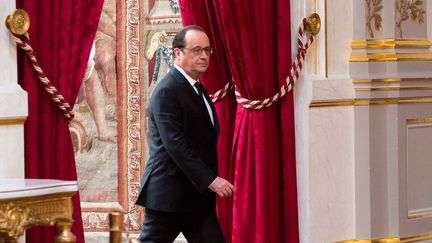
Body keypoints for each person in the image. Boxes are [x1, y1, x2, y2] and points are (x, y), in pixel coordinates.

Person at [136, 25, 234, 243]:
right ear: (177, 53)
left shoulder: (196, 88)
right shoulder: (167, 91)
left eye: (207, 50)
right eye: (196, 50)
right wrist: (211, 180)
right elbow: (175, 145)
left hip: (196, 199)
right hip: (169, 196)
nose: (204, 56)